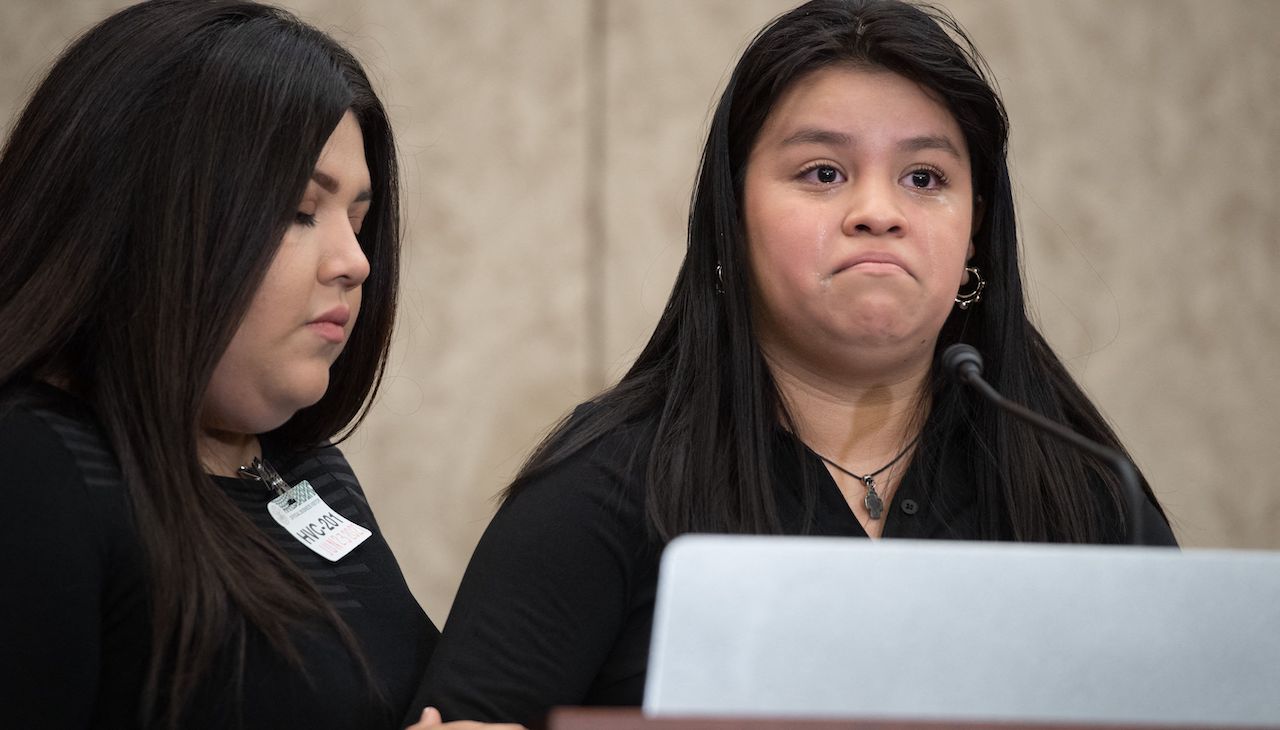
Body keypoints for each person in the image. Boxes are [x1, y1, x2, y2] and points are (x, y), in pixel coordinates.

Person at [413, 0, 1178, 725]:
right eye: (823, 173)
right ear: (731, 216)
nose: (877, 212)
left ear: (976, 232)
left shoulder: (1084, 487)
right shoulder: (606, 486)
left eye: (925, 178)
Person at [0, 3, 516, 729]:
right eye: (301, 211)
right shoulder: (34, 469)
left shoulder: (306, 466)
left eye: (359, 221)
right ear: (149, 218)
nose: (355, 262)